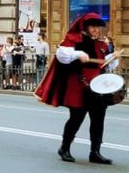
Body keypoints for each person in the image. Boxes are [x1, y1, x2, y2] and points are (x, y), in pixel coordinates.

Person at [35, 13, 119, 165]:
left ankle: (95, 152)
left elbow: (104, 63)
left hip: (98, 88)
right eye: (93, 27)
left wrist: (113, 59)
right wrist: (78, 54)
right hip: (79, 86)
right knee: (76, 118)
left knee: (98, 119)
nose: (96, 30)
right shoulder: (74, 41)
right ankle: (64, 148)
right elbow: (62, 54)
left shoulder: (102, 45)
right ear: (86, 27)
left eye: (97, 27)